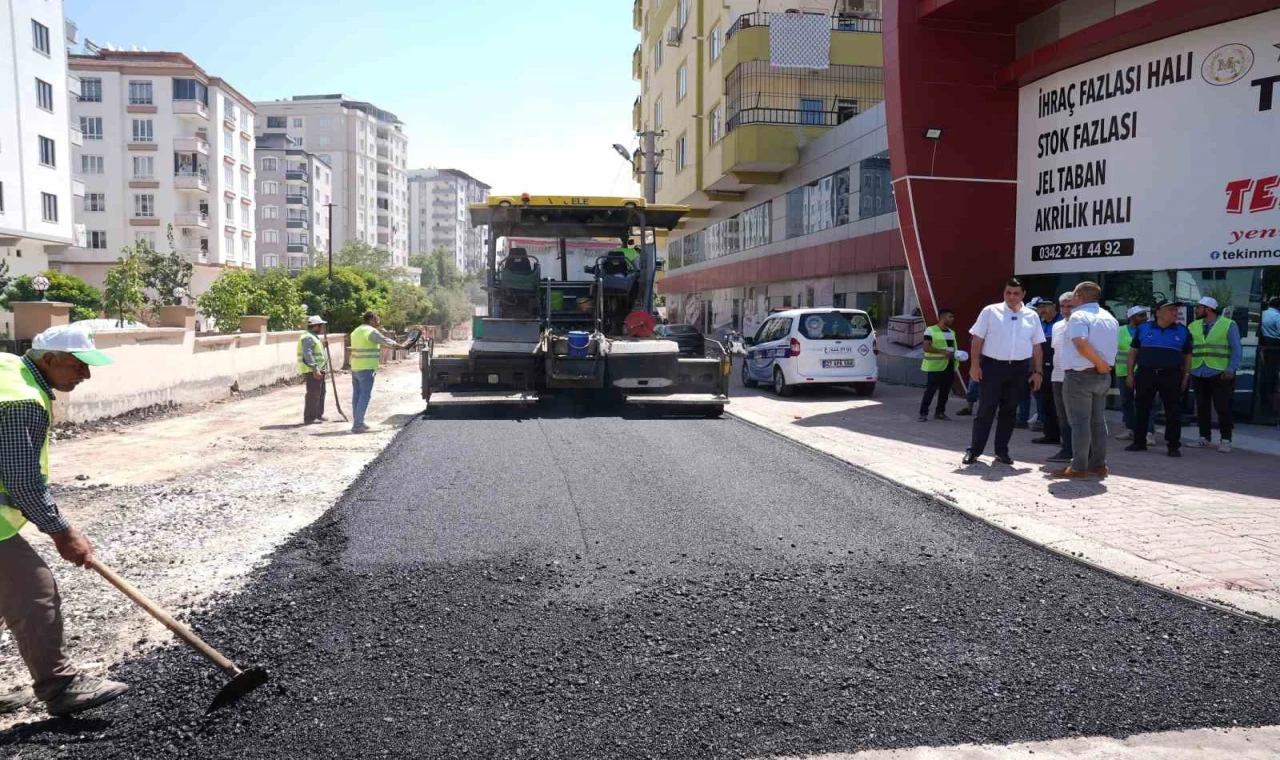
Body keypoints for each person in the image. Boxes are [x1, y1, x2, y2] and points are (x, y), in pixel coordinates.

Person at [0, 324, 129, 716]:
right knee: (35, 591)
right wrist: (63, 533)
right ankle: (60, 686)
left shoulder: (8, 367)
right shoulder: (22, 398)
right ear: (50, 360)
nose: (85, 375)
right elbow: (22, 481)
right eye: (79, 365)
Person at [963, 278, 1045, 466]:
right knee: (985, 411)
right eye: (1008, 292)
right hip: (992, 367)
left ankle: (1002, 451)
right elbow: (977, 340)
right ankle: (974, 451)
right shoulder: (990, 311)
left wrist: (1038, 372)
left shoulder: (1031, 316)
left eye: (1016, 293)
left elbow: (1037, 347)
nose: (1011, 296)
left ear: (1024, 294)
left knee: (1009, 412)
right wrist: (975, 366)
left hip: (1018, 369)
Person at [1053, 281, 1120, 478]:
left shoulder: (1079, 316)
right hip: (1102, 376)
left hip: (1080, 375)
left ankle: (1078, 467)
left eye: (1074, 295)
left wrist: (1098, 363)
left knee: (1080, 423)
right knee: (1098, 422)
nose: (1072, 299)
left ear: (1079, 296)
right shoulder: (1109, 317)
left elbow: (1080, 344)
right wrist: (1102, 365)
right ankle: (1098, 464)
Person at [1125, 300, 1192, 457]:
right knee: (1142, 408)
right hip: (1146, 373)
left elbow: (1188, 356)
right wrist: (1129, 374)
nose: (1175, 313)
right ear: (1158, 312)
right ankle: (1139, 442)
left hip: (1171, 375)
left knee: (1173, 410)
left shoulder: (1183, 331)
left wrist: (1186, 376)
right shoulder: (1143, 328)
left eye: (1176, 310)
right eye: (1170, 310)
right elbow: (1133, 353)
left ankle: (1173, 445)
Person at [1189, 296, 1242, 453]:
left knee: (1222, 407)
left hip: (1220, 373)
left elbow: (1236, 350)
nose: (1196, 310)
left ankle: (1226, 440)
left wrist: (1231, 369)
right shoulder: (1193, 325)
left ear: (1208, 309)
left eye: (1199, 307)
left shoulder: (1228, 325)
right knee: (1202, 407)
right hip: (1198, 371)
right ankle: (1204, 437)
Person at [349, 311, 410, 434]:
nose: (378, 321)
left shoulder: (356, 331)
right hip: (366, 368)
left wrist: (395, 346)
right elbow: (384, 340)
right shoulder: (370, 331)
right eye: (377, 319)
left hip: (355, 367)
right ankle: (358, 425)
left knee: (357, 396)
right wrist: (401, 346)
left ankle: (358, 421)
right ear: (371, 319)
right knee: (364, 396)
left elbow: (376, 345)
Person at [1114, 305, 1155, 445]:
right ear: (1131, 318)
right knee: (1127, 402)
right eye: (1141, 315)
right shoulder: (1119, 331)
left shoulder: (1150, 331)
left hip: (1145, 372)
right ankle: (1130, 429)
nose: (1145, 318)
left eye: (1145, 315)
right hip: (1124, 372)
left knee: (1146, 402)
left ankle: (1148, 432)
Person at [1046, 292, 1077, 464]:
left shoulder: (1081, 324)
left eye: (1070, 306)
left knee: (1077, 416)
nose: (1066, 310)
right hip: (1057, 376)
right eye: (1063, 306)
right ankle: (1066, 449)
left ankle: (1082, 451)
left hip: (1075, 376)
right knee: (1062, 415)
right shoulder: (1057, 326)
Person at [1030, 296, 1062, 443]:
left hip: (1059, 367)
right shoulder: (1039, 324)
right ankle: (1050, 435)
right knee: (1046, 402)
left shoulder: (1063, 322)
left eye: (1045, 306)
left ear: (1054, 306)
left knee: (1060, 404)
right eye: (1039, 307)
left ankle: (1064, 437)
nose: (1042, 310)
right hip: (1043, 368)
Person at [918, 308, 957, 422]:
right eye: (950, 317)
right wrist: (943, 352)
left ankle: (940, 412)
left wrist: (957, 355)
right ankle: (923, 413)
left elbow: (952, 348)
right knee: (930, 391)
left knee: (945, 391)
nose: (952, 319)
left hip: (949, 365)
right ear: (943, 318)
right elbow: (926, 347)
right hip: (935, 366)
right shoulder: (930, 330)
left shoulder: (952, 332)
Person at [298, 315, 328, 425]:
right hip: (312, 370)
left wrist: (323, 345)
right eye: (320, 326)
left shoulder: (313, 336)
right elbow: (308, 354)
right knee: (313, 394)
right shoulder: (308, 337)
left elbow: (316, 351)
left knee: (320, 393)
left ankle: (318, 414)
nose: (322, 328)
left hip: (319, 369)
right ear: (315, 326)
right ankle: (310, 417)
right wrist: (315, 369)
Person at [1260, 296, 1280, 429]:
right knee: (1274, 375)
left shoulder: (1263, 314)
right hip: (1275, 346)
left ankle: (1264, 398)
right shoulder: (1277, 316)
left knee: (1267, 372)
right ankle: (1272, 403)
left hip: (1265, 346)